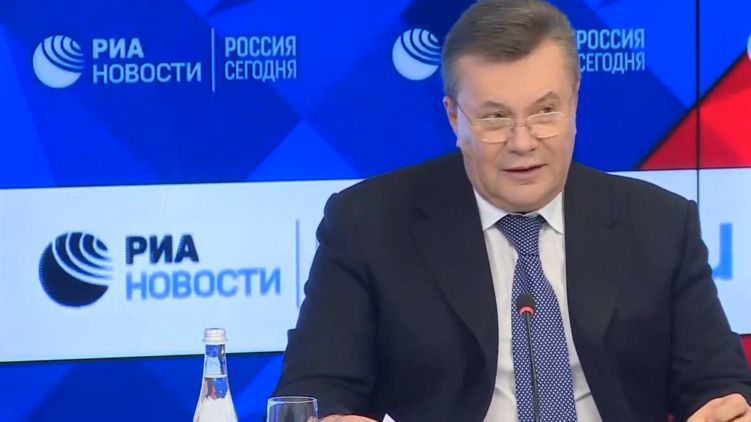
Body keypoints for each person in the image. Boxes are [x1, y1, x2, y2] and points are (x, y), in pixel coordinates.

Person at [272, 0, 751, 420]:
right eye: (496, 117)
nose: (523, 142)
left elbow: (716, 383)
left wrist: (724, 407)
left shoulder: (660, 223)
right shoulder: (368, 224)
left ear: (575, 103)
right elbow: (314, 390)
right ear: (454, 117)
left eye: (545, 111)